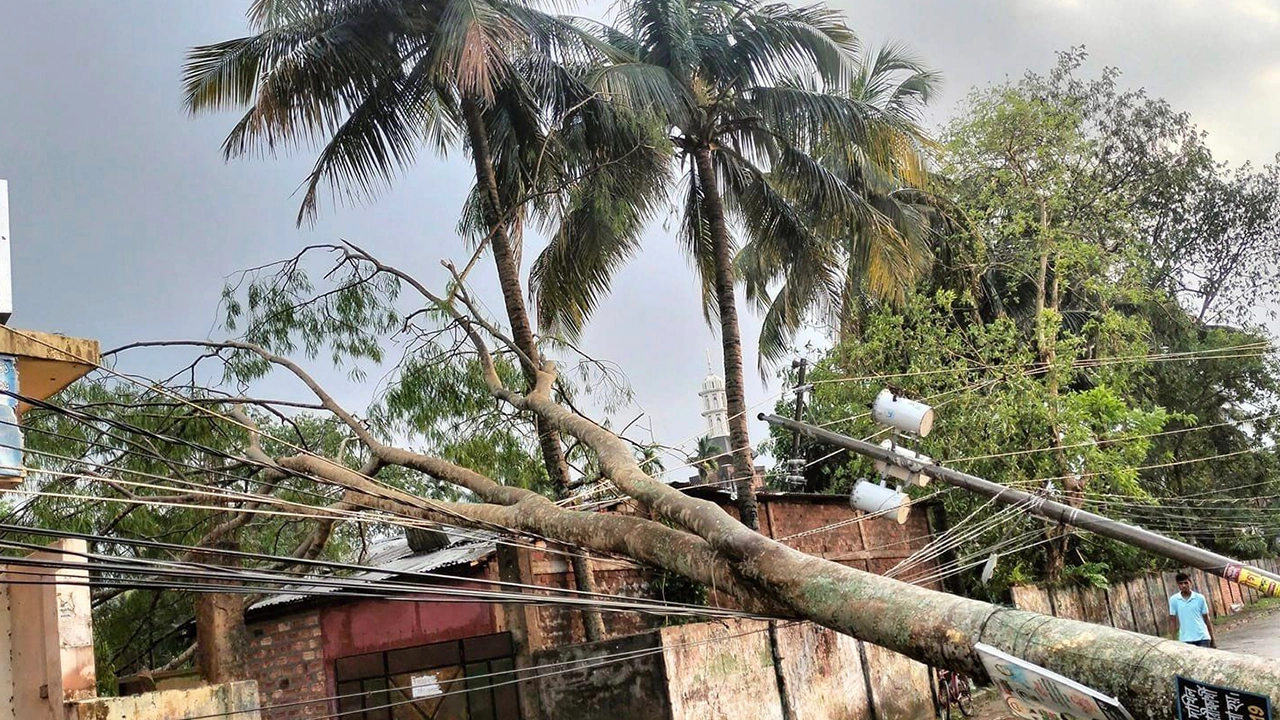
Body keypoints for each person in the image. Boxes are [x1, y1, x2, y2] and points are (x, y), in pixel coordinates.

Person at [1169, 572, 1216, 648]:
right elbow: (1172, 620)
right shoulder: (1174, 600)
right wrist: (1174, 641)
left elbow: (1207, 619)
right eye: (1181, 583)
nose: (1184, 586)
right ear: (1178, 585)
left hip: (1202, 637)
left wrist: (1213, 640)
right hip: (1185, 639)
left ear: (1190, 583)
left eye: (1186, 583)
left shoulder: (1200, 598)